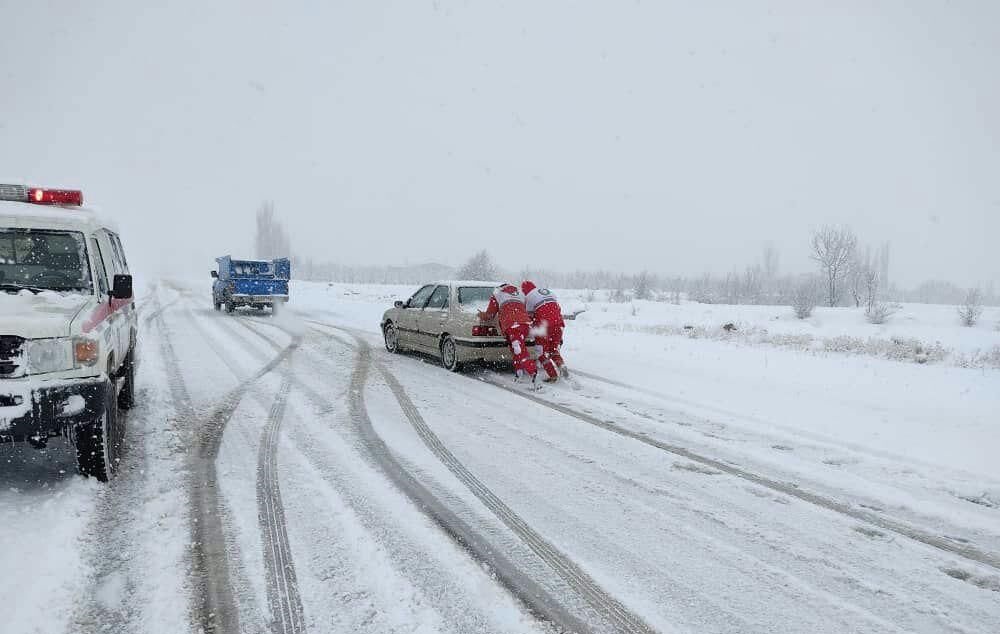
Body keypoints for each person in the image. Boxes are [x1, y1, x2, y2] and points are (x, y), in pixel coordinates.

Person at [478, 282, 538, 384]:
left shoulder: (497, 294)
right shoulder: (520, 294)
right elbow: (527, 310)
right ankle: (519, 374)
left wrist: (481, 315)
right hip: (525, 324)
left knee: (519, 351)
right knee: (516, 349)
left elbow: (490, 315)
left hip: (512, 325)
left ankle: (534, 374)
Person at [521, 280, 566, 381]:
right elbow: (557, 309)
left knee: (541, 352)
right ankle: (562, 366)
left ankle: (552, 375)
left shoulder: (529, 297)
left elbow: (529, 317)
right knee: (553, 350)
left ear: (524, 291)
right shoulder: (548, 292)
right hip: (558, 324)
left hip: (544, 326)